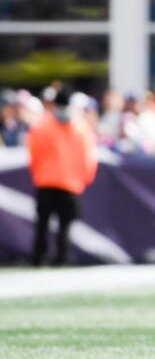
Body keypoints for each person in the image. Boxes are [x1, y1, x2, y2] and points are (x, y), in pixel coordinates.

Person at [27, 91, 98, 266]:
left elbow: (33, 153)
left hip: (46, 181)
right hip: (70, 183)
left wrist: (37, 174)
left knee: (43, 224)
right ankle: (61, 258)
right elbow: (89, 158)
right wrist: (85, 179)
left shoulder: (42, 126)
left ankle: (39, 258)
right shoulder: (81, 128)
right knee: (64, 226)